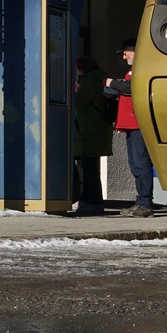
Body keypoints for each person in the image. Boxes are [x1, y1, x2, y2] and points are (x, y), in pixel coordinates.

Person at [107, 38, 154, 217]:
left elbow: (133, 88)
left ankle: (145, 203)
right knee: (136, 164)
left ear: (137, 51)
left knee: (141, 164)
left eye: (126, 51)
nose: (124, 55)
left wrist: (112, 83)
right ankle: (142, 202)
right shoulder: (133, 71)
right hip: (132, 125)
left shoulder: (141, 71)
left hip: (137, 124)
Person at [73, 55, 111, 216]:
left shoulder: (88, 81)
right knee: (91, 168)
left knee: (89, 170)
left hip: (87, 131)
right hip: (99, 130)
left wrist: (73, 90)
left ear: (82, 67)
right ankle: (89, 201)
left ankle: (93, 201)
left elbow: (80, 102)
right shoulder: (101, 79)